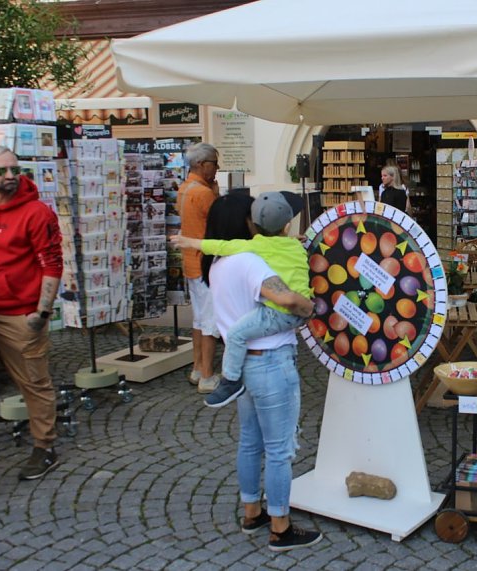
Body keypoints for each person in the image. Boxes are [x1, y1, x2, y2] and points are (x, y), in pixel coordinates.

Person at [202, 193, 323, 551]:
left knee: (250, 443)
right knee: (280, 449)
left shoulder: (221, 263)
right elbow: (286, 299)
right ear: (247, 223)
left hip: (243, 369)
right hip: (271, 363)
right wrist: (308, 308)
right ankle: (281, 527)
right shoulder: (251, 261)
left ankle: (252, 511)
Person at [171, 191, 311, 408]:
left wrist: (189, 241)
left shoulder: (247, 252)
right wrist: (310, 306)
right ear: (286, 226)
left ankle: (231, 380)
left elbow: (221, 246)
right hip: (282, 340)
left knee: (236, 334)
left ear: (253, 224)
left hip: (276, 319)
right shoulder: (293, 246)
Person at [0, 146, 63, 480]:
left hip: (20, 314)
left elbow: (52, 264)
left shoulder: (37, 213)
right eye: (2, 171)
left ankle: (45, 446)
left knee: (34, 382)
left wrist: (41, 314)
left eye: (15, 169)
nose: (11, 176)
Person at [176, 142, 221, 394]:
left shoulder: (184, 189)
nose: (216, 168)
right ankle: (207, 375)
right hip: (206, 263)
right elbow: (218, 222)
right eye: (214, 163)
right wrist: (215, 194)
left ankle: (197, 368)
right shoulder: (203, 193)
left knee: (199, 319)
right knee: (210, 322)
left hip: (191, 262)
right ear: (203, 165)